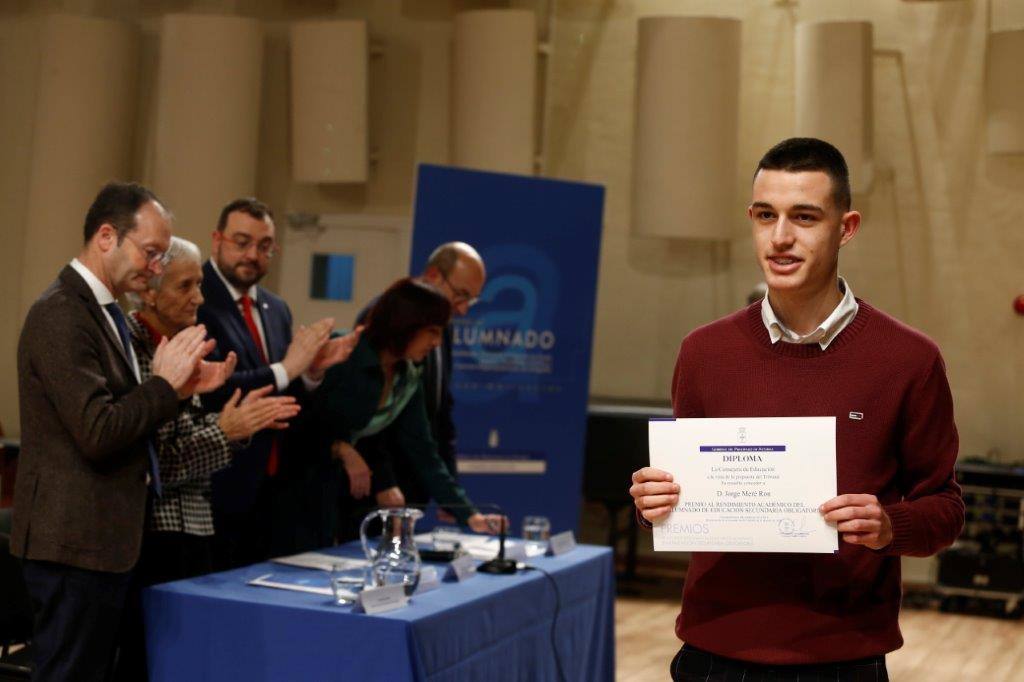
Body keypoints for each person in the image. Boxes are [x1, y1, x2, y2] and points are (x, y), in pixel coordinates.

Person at [629, 138, 964, 681]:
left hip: (843, 658)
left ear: (846, 228)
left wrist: (888, 525)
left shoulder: (909, 360)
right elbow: (681, 498)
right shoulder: (704, 352)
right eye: (767, 216)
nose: (780, 237)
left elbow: (945, 507)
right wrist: (653, 503)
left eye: (804, 217)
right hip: (713, 653)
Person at [11, 182, 215, 680]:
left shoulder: (105, 311)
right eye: (150, 252)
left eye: (161, 256)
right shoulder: (62, 312)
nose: (156, 268)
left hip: (102, 542)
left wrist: (179, 390)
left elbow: (123, 415)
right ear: (107, 237)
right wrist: (164, 386)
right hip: (72, 542)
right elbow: (98, 431)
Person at [197, 197, 358, 564]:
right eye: (242, 242)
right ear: (217, 240)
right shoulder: (196, 298)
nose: (253, 255)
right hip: (217, 486)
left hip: (274, 488)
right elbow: (215, 387)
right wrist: (288, 367)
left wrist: (311, 371)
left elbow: (284, 393)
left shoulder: (276, 308)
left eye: (264, 246)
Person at [316, 277, 502, 540]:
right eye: (432, 332)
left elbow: (423, 450)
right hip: (298, 493)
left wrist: (470, 516)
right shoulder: (343, 352)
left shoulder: (407, 375)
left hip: (340, 497)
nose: (437, 343)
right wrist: (340, 448)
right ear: (406, 325)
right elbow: (300, 422)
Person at [355, 242, 486, 517]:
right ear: (434, 275)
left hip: (417, 480)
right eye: (461, 295)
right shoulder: (383, 316)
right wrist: (384, 480)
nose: (464, 309)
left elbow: (440, 413)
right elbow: (363, 416)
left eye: (471, 300)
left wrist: (452, 498)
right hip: (373, 486)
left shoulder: (443, 328)